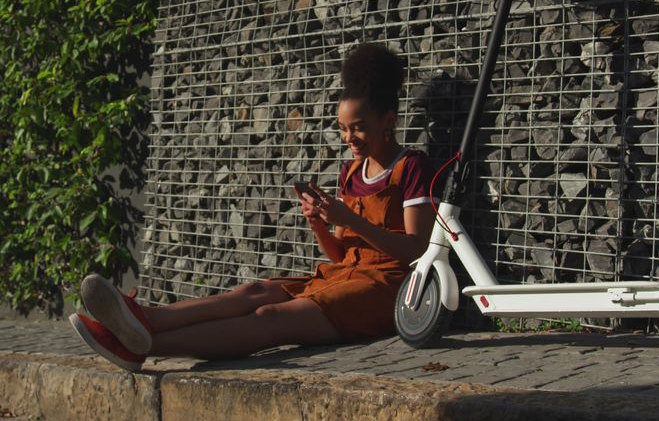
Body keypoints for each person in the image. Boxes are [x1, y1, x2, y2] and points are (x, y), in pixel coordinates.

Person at [69, 43, 437, 370]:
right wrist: (320, 223)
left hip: (385, 289)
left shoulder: (410, 167)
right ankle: (142, 317)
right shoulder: (351, 171)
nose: (349, 138)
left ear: (388, 121)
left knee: (270, 316)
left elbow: (417, 251)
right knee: (253, 292)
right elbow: (340, 255)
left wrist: (350, 218)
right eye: (342, 129)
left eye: (357, 127)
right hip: (343, 277)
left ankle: (142, 345)